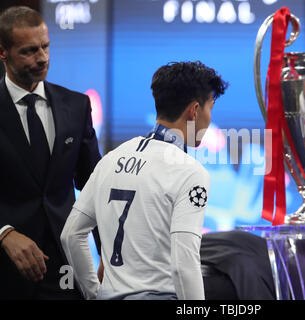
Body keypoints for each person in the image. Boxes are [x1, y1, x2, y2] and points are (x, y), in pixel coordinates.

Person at [61, 61, 228, 300]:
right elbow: (184, 264)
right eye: (210, 108)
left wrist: (93, 293)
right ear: (194, 110)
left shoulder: (111, 159)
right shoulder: (191, 172)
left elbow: (70, 235)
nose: (210, 119)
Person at [0, 6, 101, 299]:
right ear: (3, 52)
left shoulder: (77, 106)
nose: (42, 57)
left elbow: (94, 186)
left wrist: (111, 255)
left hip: (66, 266)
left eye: (45, 47)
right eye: (29, 51)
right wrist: (4, 232)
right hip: (6, 268)